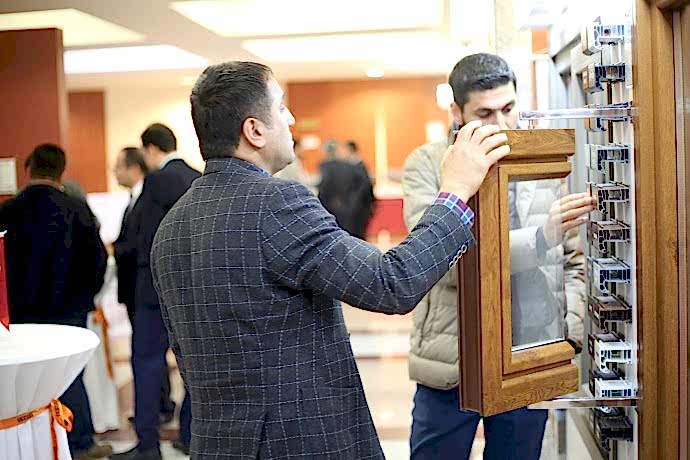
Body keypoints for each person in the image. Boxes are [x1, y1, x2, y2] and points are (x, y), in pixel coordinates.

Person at [149, 61, 509, 458]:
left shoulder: (171, 227)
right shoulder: (277, 204)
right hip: (301, 445)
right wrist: (455, 192)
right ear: (254, 130)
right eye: (281, 107)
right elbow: (392, 283)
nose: (291, 119)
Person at [402, 53, 592, 459]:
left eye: (508, 108)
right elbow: (434, 261)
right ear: (456, 112)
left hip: (529, 355)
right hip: (451, 359)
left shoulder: (545, 160)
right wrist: (540, 238)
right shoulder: (428, 165)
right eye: (485, 114)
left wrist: (568, 335)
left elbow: (572, 262)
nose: (501, 124)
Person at [0, 144, 111, 460]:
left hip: (20, 315)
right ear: (62, 171)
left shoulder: (8, 211)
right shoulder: (77, 210)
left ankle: (27, 446)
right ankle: (80, 442)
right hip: (68, 312)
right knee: (69, 376)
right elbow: (98, 261)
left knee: (23, 380)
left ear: (28, 169)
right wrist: (85, 298)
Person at [112, 125, 198, 460]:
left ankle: (147, 444)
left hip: (154, 290)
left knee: (147, 363)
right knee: (194, 366)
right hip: (191, 289)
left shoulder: (157, 181)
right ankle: (190, 435)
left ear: (150, 149)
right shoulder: (196, 177)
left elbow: (145, 240)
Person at [318, 139, 372, 238]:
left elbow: (363, 188)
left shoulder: (326, 166)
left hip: (351, 208)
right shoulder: (348, 166)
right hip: (352, 207)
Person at [342, 140, 375, 239]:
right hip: (358, 207)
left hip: (359, 208)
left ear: (350, 150)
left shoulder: (358, 166)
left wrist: (352, 204)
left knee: (358, 234)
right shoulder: (355, 166)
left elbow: (363, 188)